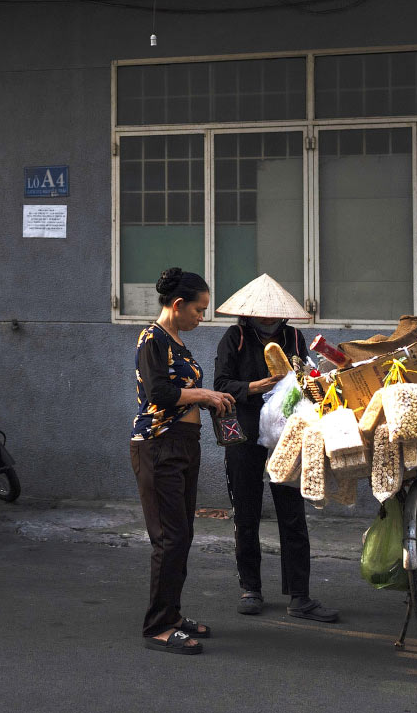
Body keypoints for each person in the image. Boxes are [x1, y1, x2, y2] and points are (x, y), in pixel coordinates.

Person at [213, 274, 339, 623]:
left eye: (273, 316)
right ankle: (250, 587)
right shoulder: (234, 337)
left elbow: (306, 379)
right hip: (243, 429)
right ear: (250, 314)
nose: (267, 321)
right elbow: (220, 385)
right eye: (261, 316)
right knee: (246, 511)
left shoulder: (294, 338)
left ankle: (300, 596)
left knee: (292, 512)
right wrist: (256, 386)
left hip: (287, 431)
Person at [131, 268, 236, 655]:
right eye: (199, 309)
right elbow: (159, 392)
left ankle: (172, 615)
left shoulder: (177, 341)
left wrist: (212, 401)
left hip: (184, 445)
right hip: (157, 445)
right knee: (169, 537)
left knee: (182, 535)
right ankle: (157, 627)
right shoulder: (152, 339)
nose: (201, 317)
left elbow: (183, 390)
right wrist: (204, 395)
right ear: (177, 305)